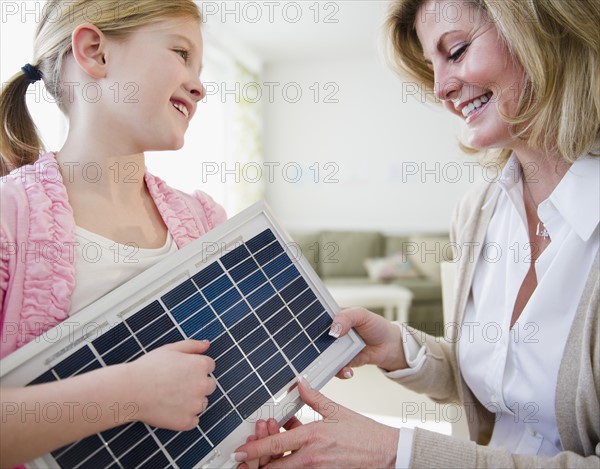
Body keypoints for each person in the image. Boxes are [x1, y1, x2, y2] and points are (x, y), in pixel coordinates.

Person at [234, 0, 600, 467]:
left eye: (458, 50)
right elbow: (494, 379)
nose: (441, 88)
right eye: (431, 66)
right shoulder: (478, 212)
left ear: (543, 32)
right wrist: (399, 347)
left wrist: (397, 452)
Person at [0, 0, 252, 466]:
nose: (199, 87)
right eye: (180, 52)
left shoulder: (205, 220)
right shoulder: (8, 218)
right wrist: (132, 392)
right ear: (96, 52)